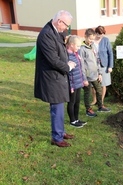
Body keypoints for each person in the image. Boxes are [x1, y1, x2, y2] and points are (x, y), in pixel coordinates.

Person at [34, 10, 75, 147]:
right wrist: (67, 67)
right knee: (56, 107)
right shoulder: (46, 35)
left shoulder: (55, 31)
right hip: (51, 77)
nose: (67, 29)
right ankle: (56, 138)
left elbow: (62, 43)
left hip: (58, 76)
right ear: (59, 22)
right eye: (66, 25)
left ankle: (61, 131)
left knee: (60, 106)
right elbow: (53, 60)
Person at [79, 28, 110, 117]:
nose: (91, 41)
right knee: (87, 93)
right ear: (85, 36)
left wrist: (100, 73)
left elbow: (97, 60)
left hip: (95, 75)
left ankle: (100, 106)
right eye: (90, 39)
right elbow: (81, 64)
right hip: (87, 76)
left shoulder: (93, 46)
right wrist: (84, 78)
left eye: (93, 39)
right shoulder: (82, 49)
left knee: (99, 90)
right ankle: (88, 110)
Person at [66, 35, 87, 128]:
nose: (79, 48)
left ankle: (77, 118)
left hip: (78, 82)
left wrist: (83, 80)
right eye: (77, 46)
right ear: (71, 45)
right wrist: (71, 86)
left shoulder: (76, 54)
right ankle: (72, 120)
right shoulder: (67, 56)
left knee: (77, 101)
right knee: (72, 102)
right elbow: (68, 73)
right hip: (72, 84)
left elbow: (80, 69)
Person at [91, 25, 114, 108]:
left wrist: (110, 66)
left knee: (103, 83)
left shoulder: (106, 40)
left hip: (104, 65)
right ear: (95, 33)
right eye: (98, 34)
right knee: (93, 83)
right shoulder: (92, 40)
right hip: (93, 65)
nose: (100, 36)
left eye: (101, 34)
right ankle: (94, 100)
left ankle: (101, 100)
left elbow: (110, 53)